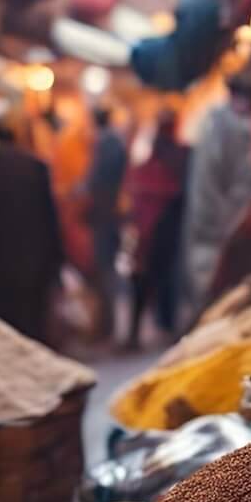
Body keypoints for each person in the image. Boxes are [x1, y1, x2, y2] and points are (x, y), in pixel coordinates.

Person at [0, 111, 63, 341]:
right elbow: (49, 217)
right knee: (29, 326)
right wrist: (56, 258)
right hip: (30, 260)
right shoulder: (35, 167)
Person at [183, 70, 251, 304]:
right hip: (216, 233)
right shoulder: (219, 124)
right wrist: (221, 228)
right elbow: (206, 187)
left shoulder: (223, 123)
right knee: (211, 298)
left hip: (230, 231)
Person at [125, 111, 189, 348]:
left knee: (144, 281)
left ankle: (140, 332)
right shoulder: (181, 156)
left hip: (152, 229)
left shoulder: (161, 158)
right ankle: (164, 328)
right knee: (162, 279)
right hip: (165, 229)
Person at [82, 106, 128, 340]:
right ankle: (107, 326)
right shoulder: (114, 140)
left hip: (106, 214)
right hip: (110, 212)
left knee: (105, 269)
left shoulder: (107, 142)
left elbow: (96, 179)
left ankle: (107, 328)